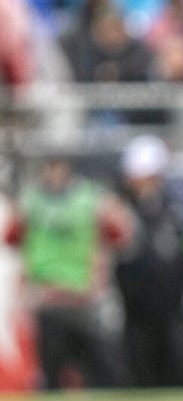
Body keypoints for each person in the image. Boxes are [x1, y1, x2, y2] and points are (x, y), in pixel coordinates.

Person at [3, 154, 132, 389]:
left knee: (101, 366)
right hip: (48, 296)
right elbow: (11, 237)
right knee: (52, 369)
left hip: (83, 295)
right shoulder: (32, 201)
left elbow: (121, 236)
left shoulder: (90, 200)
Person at [113, 135, 183, 387]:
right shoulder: (122, 210)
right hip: (136, 311)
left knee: (178, 371)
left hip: (172, 309)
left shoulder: (174, 210)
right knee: (140, 376)